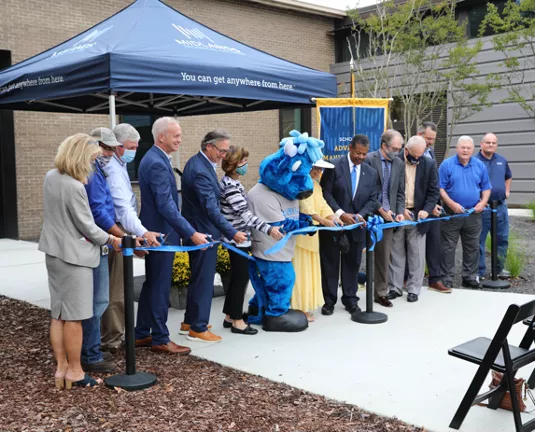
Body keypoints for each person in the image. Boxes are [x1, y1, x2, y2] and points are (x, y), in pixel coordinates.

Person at [39, 133, 122, 389]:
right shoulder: (74, 187)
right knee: (74, 318)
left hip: (54, 253)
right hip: (75, 258)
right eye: (93, 158)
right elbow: (88, 227)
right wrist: (114, 240)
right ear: (80, 157)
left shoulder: (51, 176)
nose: (94, 163)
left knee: (59, 315)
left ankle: (61, 367)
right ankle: (75, 371)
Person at [135, 117, 209, 354]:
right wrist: (191, 233)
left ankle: (141, 333)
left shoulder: (156, 158)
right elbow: (166, 206)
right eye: (175, 135)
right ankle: (159, 338)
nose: (180, 139)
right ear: (161, 137)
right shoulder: (156, 162)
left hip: (159, 232)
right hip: (161, 234)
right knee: (159, 286)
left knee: (152, 284)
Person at [182, 129, 248, 343]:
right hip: (204, 232)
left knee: (198, 278)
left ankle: (190, 322)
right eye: (222, 150)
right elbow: (211, 208)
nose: (224, 154)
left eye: (227, 150)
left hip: (201, 229)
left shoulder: (200, 164)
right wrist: (232, 231)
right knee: (203, 281)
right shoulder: (200, 170)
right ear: (208, 146)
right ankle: (198, 328)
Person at [101, 124, 161, 353]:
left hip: (122, 231)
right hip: (117, 231)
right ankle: (112, 340)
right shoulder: (114, 171)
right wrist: (140, 234)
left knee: (117, 289)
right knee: (116, 291)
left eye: (136, 147)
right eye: (130, 147)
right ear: (116, 147)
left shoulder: (120, 165)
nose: (134, 151)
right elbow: (123, 209)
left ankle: (112, 336)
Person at [219, 145, 284, 334]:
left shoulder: (233, 182)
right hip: (237, 240)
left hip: (241, 238)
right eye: (242, 162)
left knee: (236, 279)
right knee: (240, 280)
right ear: (232, 165)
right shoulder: (230, 187)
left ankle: (230, 315)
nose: (245, 164)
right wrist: (269, 229)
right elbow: (246, 216)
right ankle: (237, 322)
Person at [82, 127, 127, 373]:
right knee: (98, 301)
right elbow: (98, 212)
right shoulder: (91, 171)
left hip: (102, 238)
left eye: (112, 148)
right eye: (106, 147)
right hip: (99, 240)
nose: (109, 152)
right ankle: (90, 353)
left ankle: (91, 350)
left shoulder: (97, 169)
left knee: (97, 300)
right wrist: (119, 237)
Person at [320, 134, 379, 316]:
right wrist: (341, 214)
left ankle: (350, 300)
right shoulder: (334, 167)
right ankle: (329, 301)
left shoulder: (371, 173)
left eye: (364, 154)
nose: (361, 157)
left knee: (353, 264)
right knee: (330, 263)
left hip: (357, 228)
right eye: (358, 153)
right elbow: (325, 193)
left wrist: (360, 215)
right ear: (350, 148)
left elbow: (373, 199)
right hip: (334, 225)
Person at [387, 136, 440, 303]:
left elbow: (433, 192)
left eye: (421, 155)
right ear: (406, 150)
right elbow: (388, 189)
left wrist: (425, 210)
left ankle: (413, 289)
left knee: (416, 254)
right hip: (398, 214)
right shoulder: (394, 161)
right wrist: (399, 209)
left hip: (418, 216)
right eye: (414, 155)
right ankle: (395, 288)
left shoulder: (429, 164)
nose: (417, 158)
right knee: (396, 253)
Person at [439, 136, 492, 291]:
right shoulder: (446, 165)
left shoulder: (479, 165)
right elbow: (440, 188)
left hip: (473, 214)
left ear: (473, 149)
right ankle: (446, 278)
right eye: (463, 147)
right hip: (452, 213)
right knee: (448, 247)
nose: (465, 150)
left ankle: (469, 277)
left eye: (468, 148)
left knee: (472, 246)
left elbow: (486, 187)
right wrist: (451, 204)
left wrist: (482, 203)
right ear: (457, 148)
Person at [292, 159, 340, 321]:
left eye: (320, 169)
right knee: (300, 272)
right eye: (315, 168)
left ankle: (305, 306)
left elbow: (324, 205)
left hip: (313, 236)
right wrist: (326, 221)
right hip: (302, 236)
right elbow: (307, 210)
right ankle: (298, 308)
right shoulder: (300, 184)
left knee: (310, 271)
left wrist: (334, 217)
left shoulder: (317, 186)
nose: (318, 172)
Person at [365, 130, 405, 308]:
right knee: (355, 257)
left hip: (389, 218)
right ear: (384, 146)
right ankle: (350, 295)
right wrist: (381, 210)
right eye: (394, 148)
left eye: (399, 149)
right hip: (367, 215)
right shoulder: (369, 159)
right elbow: (365, 192)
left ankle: (380, 293)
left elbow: (400, 192)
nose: (397, 152)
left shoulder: (399, 163)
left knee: (383, 256)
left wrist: (400, 211)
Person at [418, 122, 450, 293]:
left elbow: (433, 183)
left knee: (434, 244)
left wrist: (436, 204)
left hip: (433, 208)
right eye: (428, 138)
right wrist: (426, 207)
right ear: (419, 134)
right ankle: (407, 279)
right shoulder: (410, 153)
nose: (430, 142)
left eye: (433, 139)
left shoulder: (430, 152)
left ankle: (435, 279)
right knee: (413, 247)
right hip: (417, 210)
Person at [476, 133, 513, 279]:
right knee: (479, 240)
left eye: (493, 143)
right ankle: (479, 272)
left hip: (500, 207)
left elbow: (508, 176)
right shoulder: (475, 161)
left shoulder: (502, 161)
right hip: (482, 208)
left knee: (502, 238)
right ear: (481, 144)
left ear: (496, 145)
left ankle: (498, 269)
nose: (491, 145)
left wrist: (507, 191)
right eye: (488, 142)